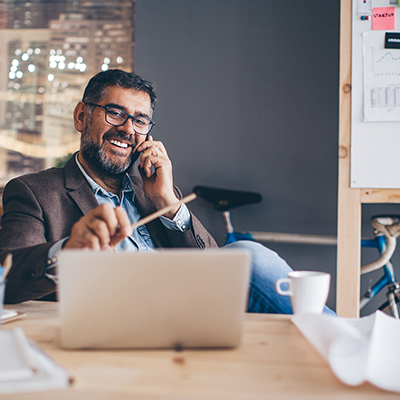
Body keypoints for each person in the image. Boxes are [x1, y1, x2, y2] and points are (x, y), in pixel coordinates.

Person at [0, 69, 332, 314]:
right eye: (115, 112)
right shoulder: (34, 192)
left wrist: (170, 204)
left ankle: (335, 344)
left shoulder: (153, 190)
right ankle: (343, 343)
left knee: (247, 256)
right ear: (82, 115)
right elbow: (8, 275)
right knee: (250, 254)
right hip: (118, 315)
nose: (128, 129)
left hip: (190, 311)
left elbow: (212, 264)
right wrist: (70, 249)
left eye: (140, 120)